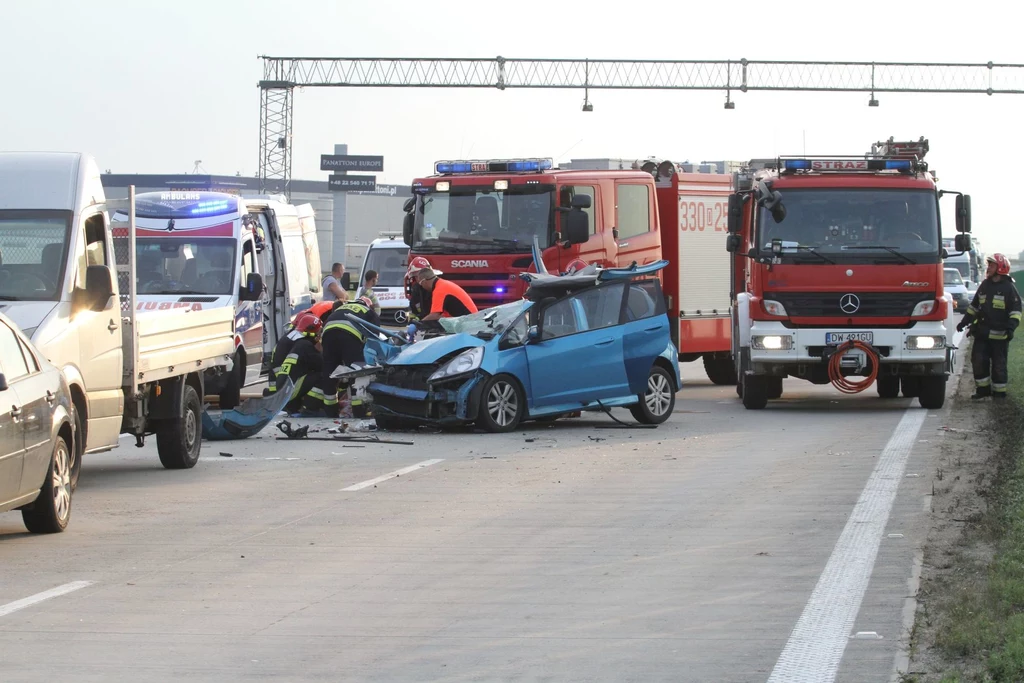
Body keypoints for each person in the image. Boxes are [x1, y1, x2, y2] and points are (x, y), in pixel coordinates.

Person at [957, 253, 1022, 400]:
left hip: (1000, 335)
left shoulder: (1008, 288)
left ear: (1000, 267)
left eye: (992, 265)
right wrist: (964, 322)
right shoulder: (984, 285)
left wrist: (1011, 328)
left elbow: (1016, 311)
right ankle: (983, 390)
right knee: (979, 361)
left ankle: (1000, 392)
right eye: (989, 265)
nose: (989, 268)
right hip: (982, 333)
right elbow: (974, 307)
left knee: (999, 364)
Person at [305, 296, 381, 417]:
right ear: (368, 305)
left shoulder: (342, 308)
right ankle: (359, 411)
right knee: (356, 372)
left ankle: (331, 410)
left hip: (328, 334)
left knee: (329, 371)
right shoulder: (369, 312)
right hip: (349, 336)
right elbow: (374, 337)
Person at [269, 312, 324, 413]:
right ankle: (311, 408)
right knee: (323, 375)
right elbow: (322, 365)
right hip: (287, 392)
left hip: (281, 391)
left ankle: (297, 405)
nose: (320, 335)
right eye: (319, 332)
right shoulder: (306, 346)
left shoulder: (295, 342)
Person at [404, 256, 435, 322]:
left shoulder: (436, 288)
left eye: (418, 275)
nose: (418, 279)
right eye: (415, 276)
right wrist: (411, 321)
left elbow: (437, 314)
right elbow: (411, 309)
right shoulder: (416, 289)